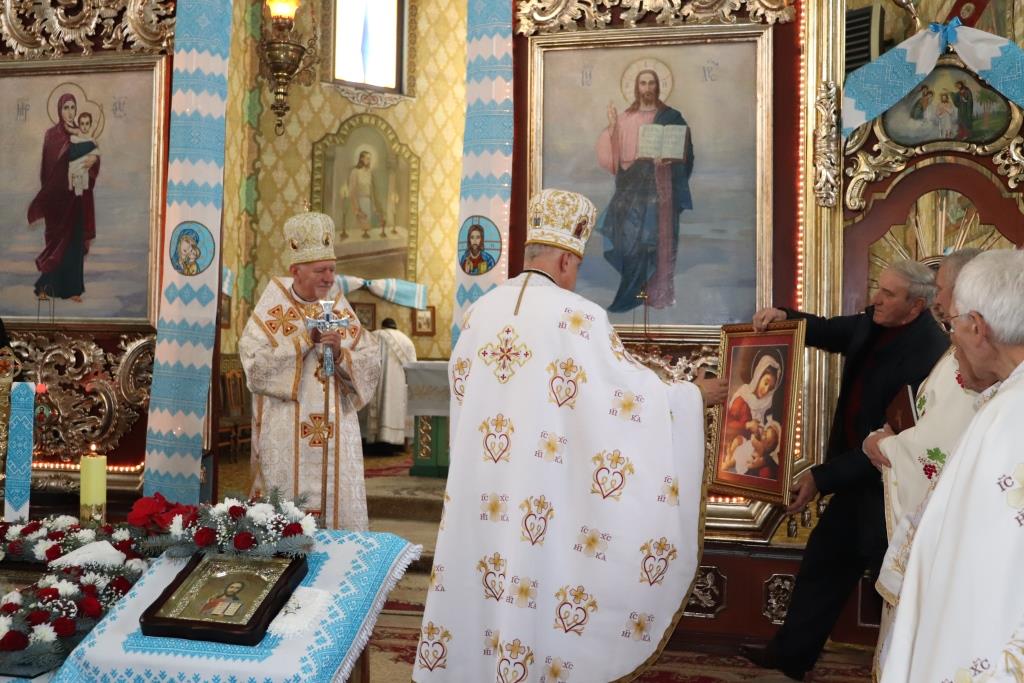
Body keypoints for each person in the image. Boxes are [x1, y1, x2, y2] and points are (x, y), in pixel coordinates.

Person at [413, 189, 726, 682]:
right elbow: (625, 400)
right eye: (575, 265)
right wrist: (690, 397)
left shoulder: (478, 315)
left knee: (483, 585)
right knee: (535, 584)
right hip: (541, 491)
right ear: (564, 260)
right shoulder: (578, 317)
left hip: (482, 492)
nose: (574, 274)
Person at [741, 259, 948, 681]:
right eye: (878, 288)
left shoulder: (928, 352)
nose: (876, 299)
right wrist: (784, 317)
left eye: (888, 294)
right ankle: (791, 657)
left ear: (916, 306)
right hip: (854, 478)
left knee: (890, 584)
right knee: (824, 562)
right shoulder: (874, 321)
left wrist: (820, 478)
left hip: (890, 490)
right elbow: (826, 330)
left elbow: (896, 437)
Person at [878, 250, 1024, 681]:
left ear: (977, 326)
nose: (951, 338)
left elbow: (981, 563)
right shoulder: (1006, 401)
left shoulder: (1008, 418)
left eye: (952, 324)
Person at [239, 211, 381, 530]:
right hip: (286, 428)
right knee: (287, 515)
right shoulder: (272, 310)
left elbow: (370, 359)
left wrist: (340, 354)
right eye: (320, 270)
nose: (329, 278)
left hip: (336, 428)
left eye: (332, 269)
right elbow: (255, 367)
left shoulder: (338, 306)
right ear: (296, 271)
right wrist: (304, 341)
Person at [596, 68, 694, 312]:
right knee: (630, 240)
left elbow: (687, 154)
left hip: (660, 189)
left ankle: (656, 293)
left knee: (657, 240)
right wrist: (612, 128)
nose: (647, 88)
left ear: (658, 87)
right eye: (643, 83)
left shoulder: (672, 117)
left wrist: (670, 160)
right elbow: (614, 160)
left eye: (651, 83)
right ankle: (632, 292)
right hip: (632, 188)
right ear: (636, 87)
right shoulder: (625, 118)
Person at [28, 92, 100, 303]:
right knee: (57, 245)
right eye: (65, 108)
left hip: (77, 200)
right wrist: (51, 196)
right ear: (59, 110)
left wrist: (92, 162)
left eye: (72, 108)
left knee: (75, 243)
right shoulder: (52, 135)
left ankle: (73, 290)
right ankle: (44, 287)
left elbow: (94, 155)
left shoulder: (81, 132)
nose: (70, 112)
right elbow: (46, 169)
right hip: (58, 202)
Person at [721, 353, 783, 478]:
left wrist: (763, 458)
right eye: (765, 383)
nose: (766, 390)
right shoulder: (742, 397)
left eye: (771, 387)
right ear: (758, 376)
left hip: (755, 450)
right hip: (735, 441)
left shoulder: (769, 404)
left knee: (766, 473)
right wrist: (747, 425)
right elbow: (727, 424)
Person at [362, 317, 417, 446]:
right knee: (393, 409)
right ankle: (395, 442)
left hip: (374, 384)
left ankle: (372, 440)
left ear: (382, 325)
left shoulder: (372, 336)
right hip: (397, 386)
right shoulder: (406, 341)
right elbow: (413, 367)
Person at [347, 150, 385, 238]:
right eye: (367, 158)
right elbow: (352, 192)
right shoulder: (355, 172)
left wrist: (374, 207)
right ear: (361, 159)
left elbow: (372, 191)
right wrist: (357, 210)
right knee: (359, 230)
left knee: (369, 229)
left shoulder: (369, 172)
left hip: (368, 203)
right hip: (358, 203)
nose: (369, 161)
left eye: (370, 159)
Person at [68, 112, 100, 197]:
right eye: (82, 124)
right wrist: (66, 127)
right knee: (74, 170)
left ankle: (83, 187)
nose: (84, 127)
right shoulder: (78, 131)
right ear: (79, 125)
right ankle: (72, 185)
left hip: (86, 159)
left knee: (84, 172)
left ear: (90, 125)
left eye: (87, 123)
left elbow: (97, 126)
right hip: (76, 157)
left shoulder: (91, 133)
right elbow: (70, 130)